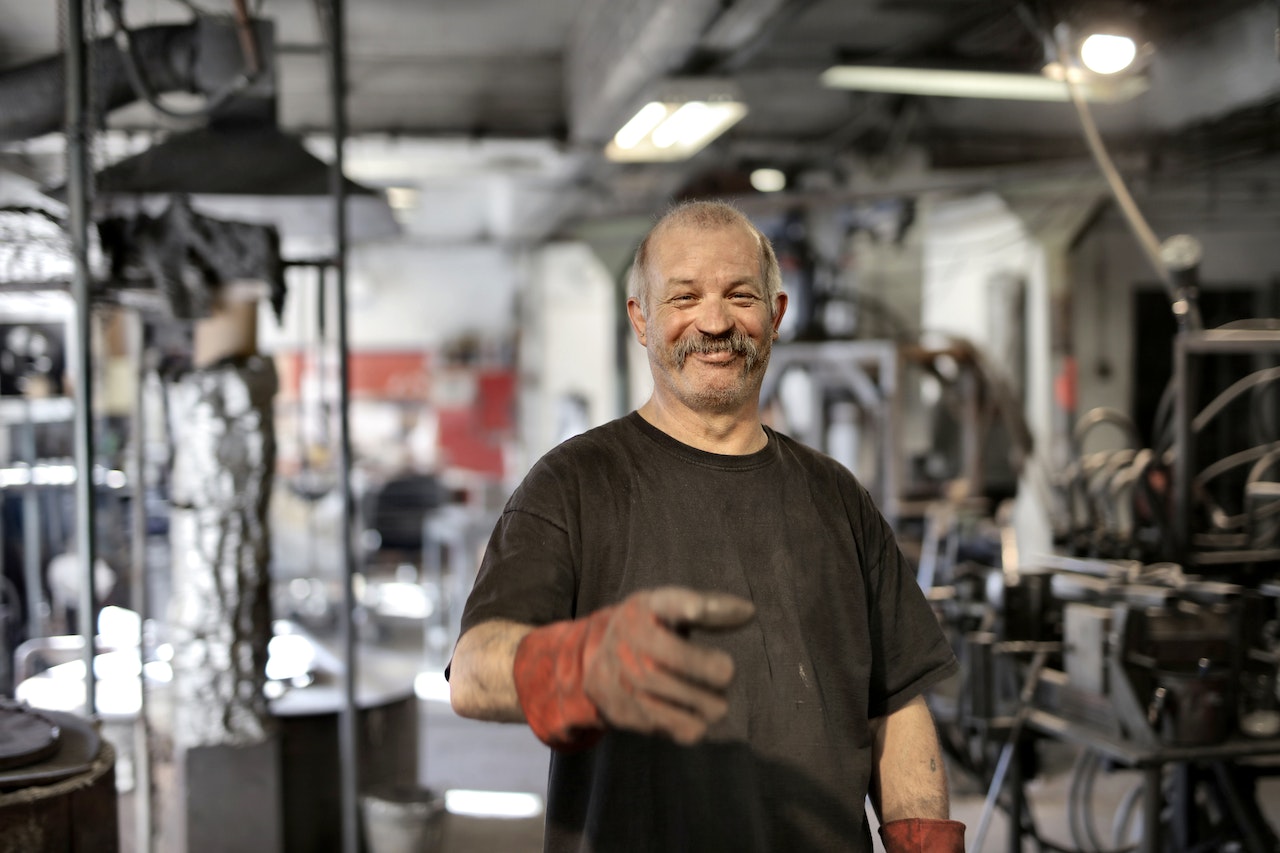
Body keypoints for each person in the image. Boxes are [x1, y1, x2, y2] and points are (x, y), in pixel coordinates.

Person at [447, 199, 964, 852]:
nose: (715, 322)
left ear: (775, 315)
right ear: (642, 318)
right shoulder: (573, 483)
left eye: (740, 295)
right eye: (684, 296)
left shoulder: (837, 496)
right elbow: (472, 673)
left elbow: (897, 704)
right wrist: (582, 664)